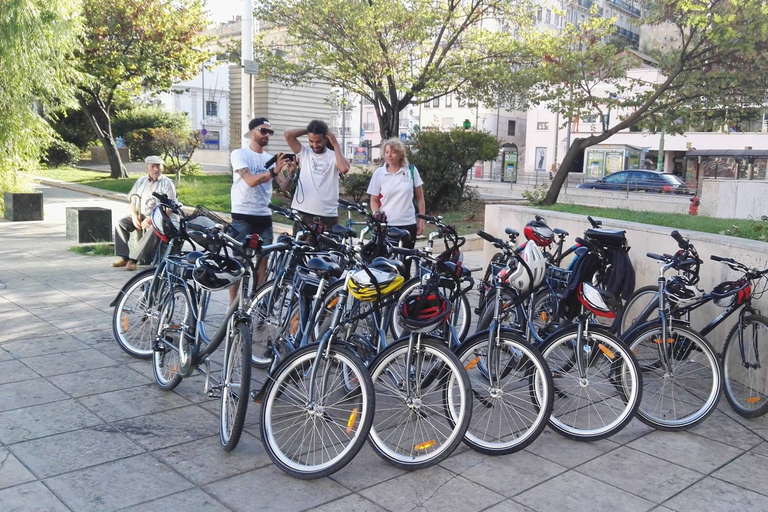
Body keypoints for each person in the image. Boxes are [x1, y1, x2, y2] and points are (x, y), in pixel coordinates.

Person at [230, 116, 296, 300]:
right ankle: (232, 306)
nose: (267, 135)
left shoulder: (270, 159)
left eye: (270, 132)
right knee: (239, 262)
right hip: (243, 214)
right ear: (251, 132)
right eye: (263, 130)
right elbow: (250, 181)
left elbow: (282, 186)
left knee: (263, 262)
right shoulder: (239, 154)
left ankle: (257, 302)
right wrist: (273, 171)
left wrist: (290, 174)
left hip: (264, 215)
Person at [366, 138, 426, 275]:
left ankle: (404, 294)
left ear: (400, 154)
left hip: (408, 224)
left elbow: (420, 198)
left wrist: (421, 220)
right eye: (386, 152)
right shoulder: (379, 173)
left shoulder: (411, 171)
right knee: (387, 265)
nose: (389, 155)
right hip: (387, 226)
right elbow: (374, 200)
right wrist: (376, 215)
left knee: (405, 264)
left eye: (393, 152)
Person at [111, 156, 177, 271]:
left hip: (161, 217)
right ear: (147, 169)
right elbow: (132, 200)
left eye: (158, 166)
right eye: (153, 166)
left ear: (163, 168)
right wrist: (134, 215)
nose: (156, 169)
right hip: (142, 214)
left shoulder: (167, 183)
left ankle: (134, 260)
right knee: (120, 223)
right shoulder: (141, 181)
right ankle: (124, 257)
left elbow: (170, 208)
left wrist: (151, 219)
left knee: (153, 229)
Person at [284, 120, 350, 232]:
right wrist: (309, 130)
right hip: (304, 213)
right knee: (301, 249)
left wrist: (334, 143)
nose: (314, 145)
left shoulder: (333, 156)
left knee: (326, 250)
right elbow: (288, 135)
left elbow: (344, 169)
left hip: (327, 215)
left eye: (318, 141)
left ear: (326, 138)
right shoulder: (305, 153)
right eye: (311, 141)